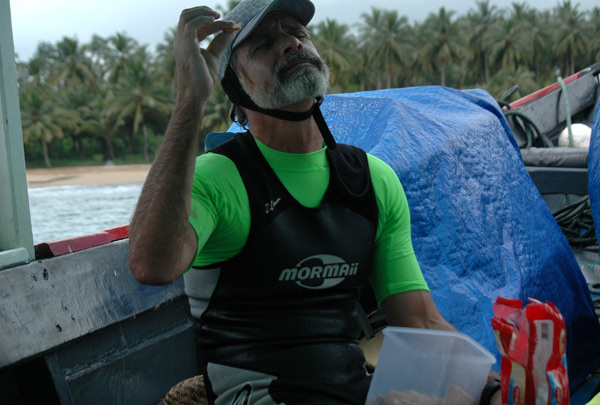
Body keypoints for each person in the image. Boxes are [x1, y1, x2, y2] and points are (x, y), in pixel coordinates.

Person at [128, 0, 502, 404]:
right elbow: (152, 265)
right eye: (264, 44)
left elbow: (421, 322)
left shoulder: (372, 181)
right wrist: (190, 100)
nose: (291, 44)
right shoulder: (217, 178)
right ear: (236, 85)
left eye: (298, 33)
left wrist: (499, 387)